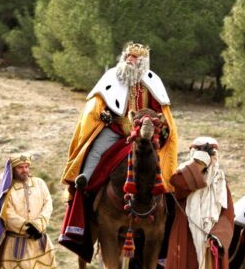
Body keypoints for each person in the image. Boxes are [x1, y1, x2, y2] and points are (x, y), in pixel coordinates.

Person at [61, 42, 178, 192]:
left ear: (141, 62)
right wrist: (103, 114)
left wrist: (160, 124)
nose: (129, 59)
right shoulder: (112, 76)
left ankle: (163, 190)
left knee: (155, 157)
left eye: (134, 57)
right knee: (96, 150)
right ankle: (85, 178)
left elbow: (159, 109)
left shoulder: (152, 82)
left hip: (142, 130)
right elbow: (98, 104)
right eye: (128, 56)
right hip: (115, 127)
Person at [161, 137, 234, 269]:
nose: (207, 155)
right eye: (201, 151)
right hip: (184, 234)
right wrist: (199, 163)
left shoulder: (220, 181)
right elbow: (178, 184)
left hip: (208, 238)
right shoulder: (184, 173)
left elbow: (227, 215)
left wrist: (218, 237)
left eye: (209, 152)